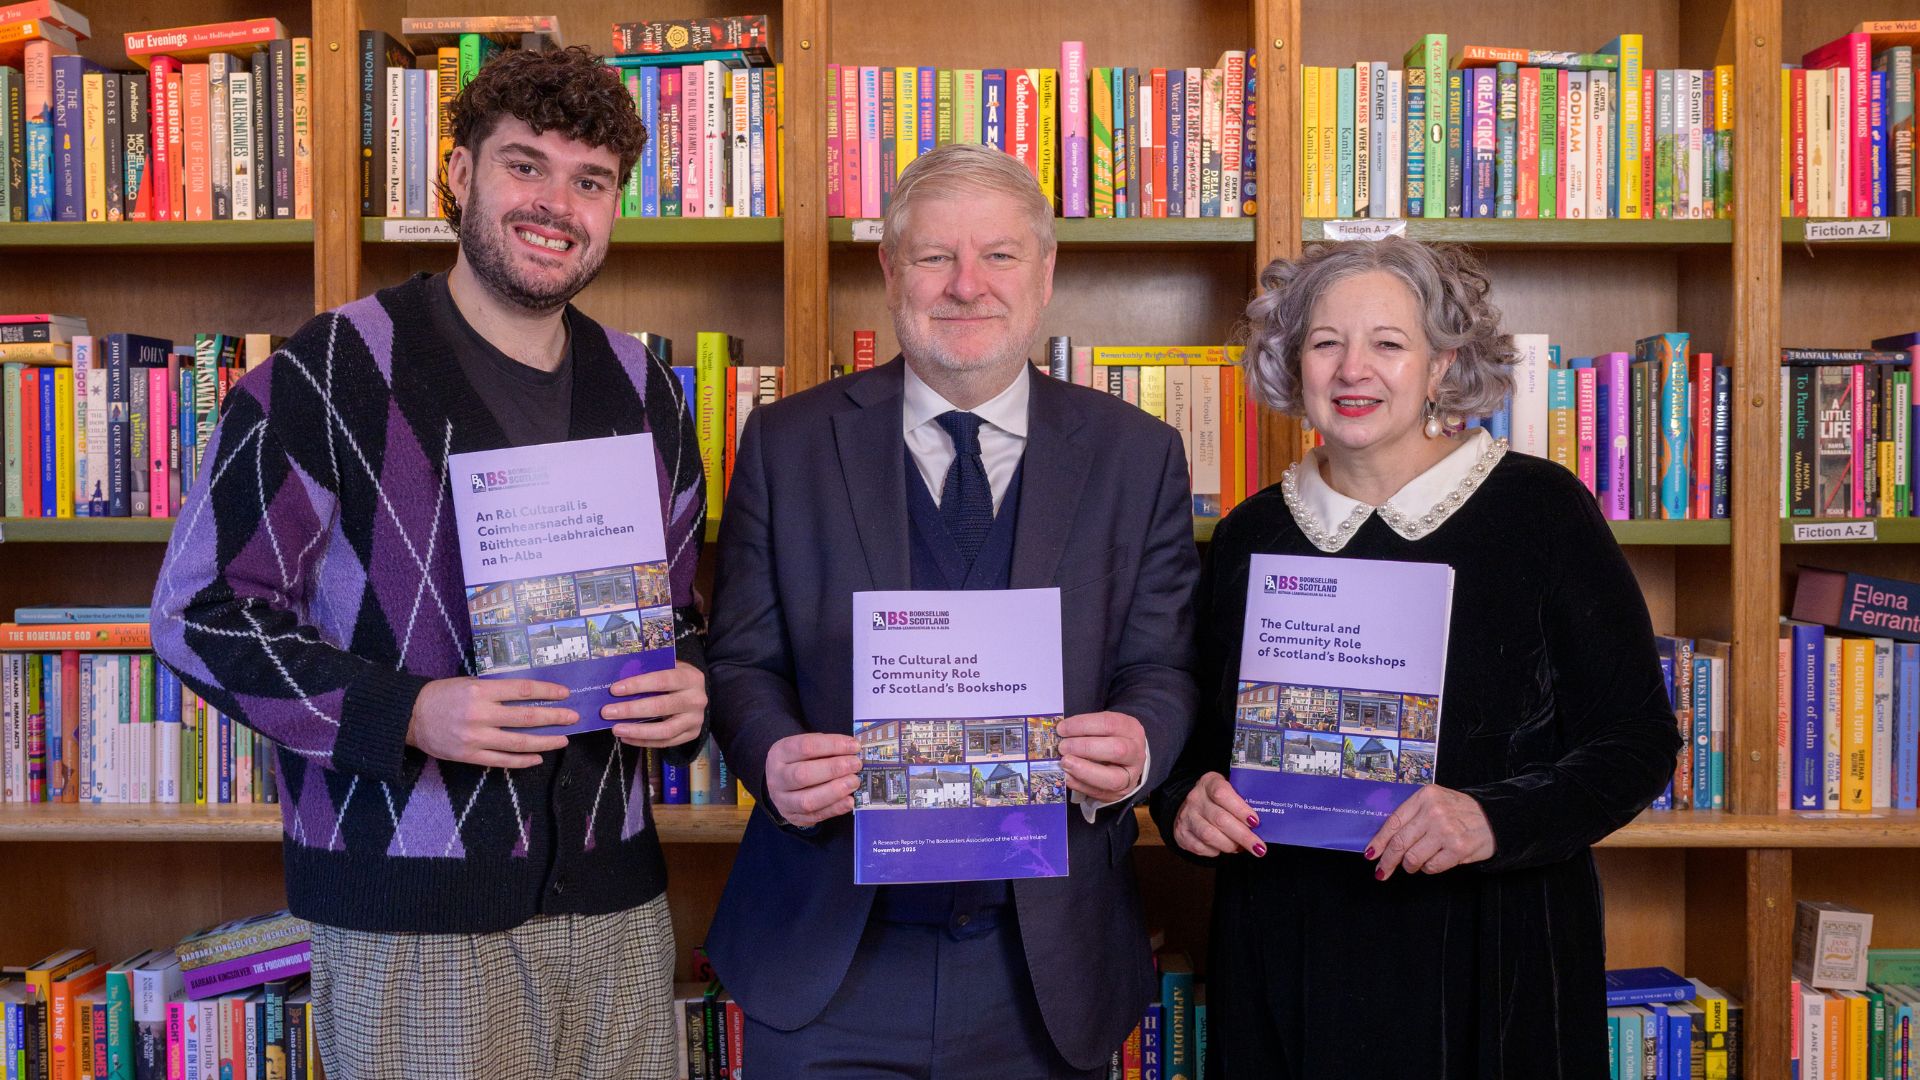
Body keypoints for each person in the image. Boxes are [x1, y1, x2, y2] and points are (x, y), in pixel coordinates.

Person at [150, 47, 709, 1080]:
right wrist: (405, 713)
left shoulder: (645, 387)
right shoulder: (332, 372)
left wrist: (689, 690)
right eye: (524, 165)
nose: (557, 204)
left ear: (616, 207)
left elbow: (677, 615)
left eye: (590, 182)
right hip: (411, 917)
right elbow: (201, 615)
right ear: (458, 176)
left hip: (617, 908)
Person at [704, 142, 1201, 1076]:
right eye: (935, 256)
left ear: (1045, 273)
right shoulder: (786, 443)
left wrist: (1138, 745)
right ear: (892, 272)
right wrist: (768, 755)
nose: (967, 285)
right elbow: (740, 663)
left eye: (1000, 256)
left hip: (1042, 963)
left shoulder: (1139, 455)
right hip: (830, 957)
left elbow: (1163, 666)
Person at [1150, 237, 1683, 1078]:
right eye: (1326, 343)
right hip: (1287, 953)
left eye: (1388, 344)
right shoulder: (1253, 533)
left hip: (1489, 955)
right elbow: (1204, 745)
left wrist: (1493, 818)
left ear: (1442, 366)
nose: (1353, 369)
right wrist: (1189, 804)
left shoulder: (1539, 510)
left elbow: (1637, 741)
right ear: (1294, 364)